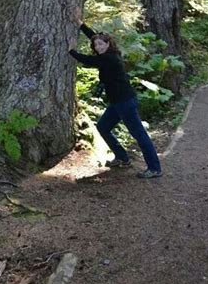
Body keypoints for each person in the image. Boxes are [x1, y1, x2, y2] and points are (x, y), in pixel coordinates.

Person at [69, 20, 162, 179]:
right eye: (96, 45)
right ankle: (122, 158)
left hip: (125, 102)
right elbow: (94, 37)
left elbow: (88, 60)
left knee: (139, 134)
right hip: (117, 103)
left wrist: (71, 50)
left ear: (108, 44)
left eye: (101, 44)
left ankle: (154, 168)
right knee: (103, 127)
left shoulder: (109, 58)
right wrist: (81, 24)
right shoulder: (109, 54)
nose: (98, 47)